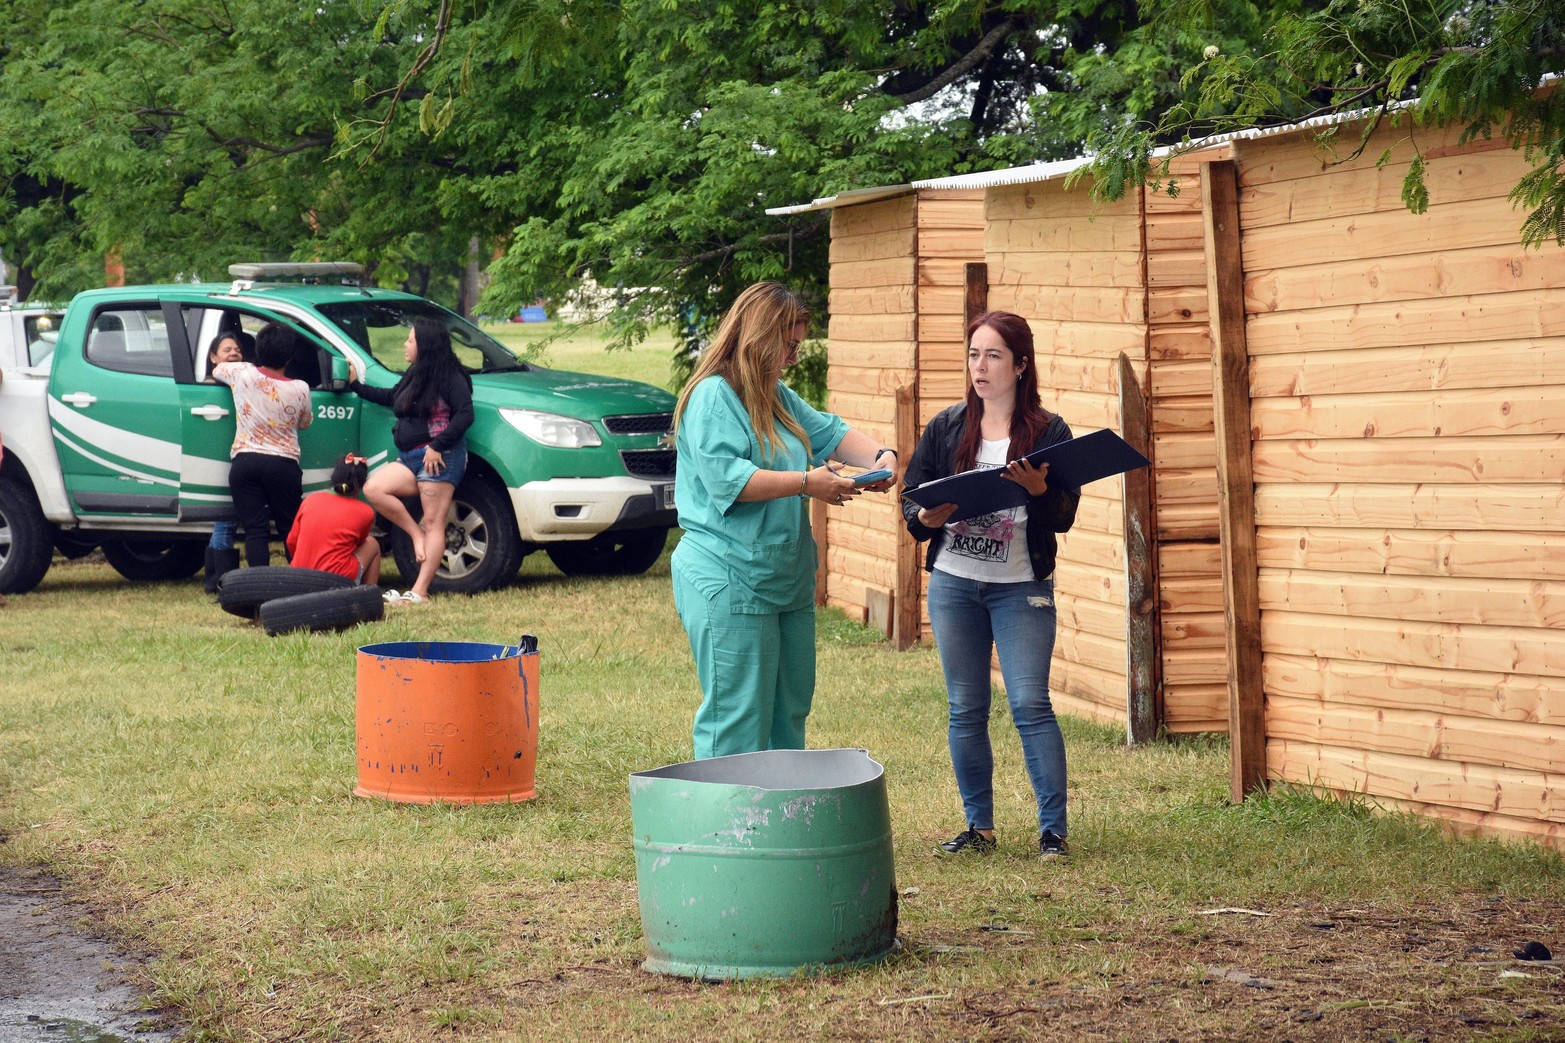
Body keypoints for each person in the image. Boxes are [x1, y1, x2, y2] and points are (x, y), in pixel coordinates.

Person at [671, 281, 899, 760]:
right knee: (736, 715)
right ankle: (722, 829)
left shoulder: (775, 394)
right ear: (759, 337)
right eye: (790, 345)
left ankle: (774, 823)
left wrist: (882, 455)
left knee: (788, 711)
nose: (794, 357)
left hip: (783, 578)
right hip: (727, 576)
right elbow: (729, 480)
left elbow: (831, 433)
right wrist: (805, 482)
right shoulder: (713, 397)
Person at [901, 311, 1081, 861]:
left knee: (1030, 702)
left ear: (1021, 365)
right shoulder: (947, 425)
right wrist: (924, 520)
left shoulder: (1050, 433)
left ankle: (1053, 833)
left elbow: (1064, 515)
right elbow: (913, 499)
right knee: (965, 707)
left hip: (1019, 587)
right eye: (974, 354)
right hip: (955, 585)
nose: (980, 367)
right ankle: (979, 828)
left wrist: (1037, 490)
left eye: (994, 356)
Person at [350, 319, 473, 606]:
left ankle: (420, 591)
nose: (405, 344)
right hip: (410, 458)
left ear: (425, 344)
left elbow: (465, 414)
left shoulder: (450, 376)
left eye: (410, 340)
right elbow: (391, 396)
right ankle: (415, 534)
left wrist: (437, 446)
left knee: (434, 522)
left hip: (439, 459)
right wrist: (355, 384)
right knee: (374, 489)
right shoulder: (416, 373)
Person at [212, 323, 313, 569]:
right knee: (290, 527)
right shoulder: (300, 389)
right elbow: (305, 423)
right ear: (289, 357)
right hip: (283, 465)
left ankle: (258, 588)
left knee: (255, 530)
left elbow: (218, 370)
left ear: (257, 349)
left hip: (245, 462)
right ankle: (300, 580)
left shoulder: (242, 374)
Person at [202, 332, 249, 592]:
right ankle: (221, 582)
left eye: (238, 350)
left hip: (230, 457)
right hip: (222, 458)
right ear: (213, 357)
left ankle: (214, 580)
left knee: (224, 517)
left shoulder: (238, 383)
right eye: (226, 349)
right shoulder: (213, 386)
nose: (233, 353)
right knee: (226, 517)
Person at [287, 453, 380, 584]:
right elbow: (359, 543)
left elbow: (291, 542)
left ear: (334, 476)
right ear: (361, 485)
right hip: (337, 579)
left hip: (298, 577)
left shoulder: (311, 500)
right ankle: (368, 594)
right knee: (373, 544)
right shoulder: (365, 511)